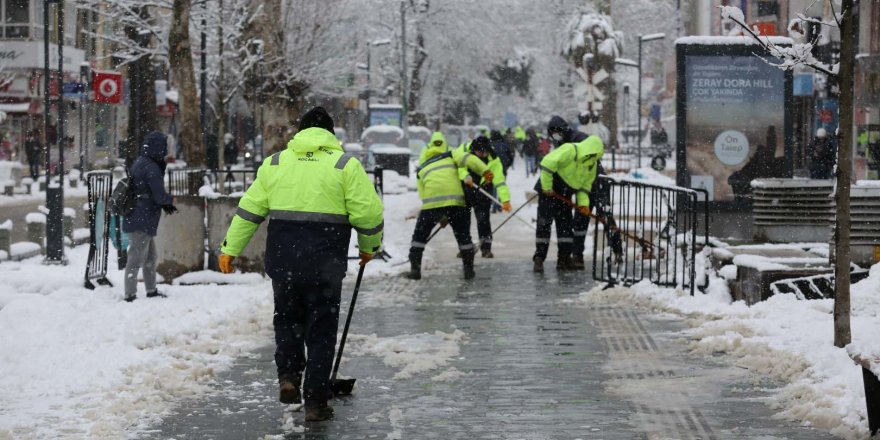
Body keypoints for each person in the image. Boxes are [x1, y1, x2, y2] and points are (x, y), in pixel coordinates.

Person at [218, 106, 384, 422]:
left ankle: (289, 376)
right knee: (321, 331)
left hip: (284, 264)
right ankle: (316, 404)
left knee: (287, 321)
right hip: (326, 265)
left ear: (299, 132)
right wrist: (368, 247)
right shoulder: (344, 165)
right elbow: (368, 214)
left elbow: (249, 212)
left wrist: (229, 249)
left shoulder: (275, 164)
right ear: (330, 134)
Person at [407, 131, 493, 280]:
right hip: (456, 203)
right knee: (463, 237)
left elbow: (423, 194)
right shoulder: (451, 155)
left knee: (419, 236)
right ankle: (468, 270)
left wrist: (439, 216)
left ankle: (415, 269)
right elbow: (469, 159)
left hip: (431, 205)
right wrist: (485, 171)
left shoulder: (422, 169)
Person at [534, 117, 605, 273]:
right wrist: (546, 187)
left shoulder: (589, 164)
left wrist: (584, 205)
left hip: (565, 193)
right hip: (549, 190)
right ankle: (539, 259)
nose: (593, 160)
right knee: (544, 224)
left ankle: (564, 259)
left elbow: (584, 188)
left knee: (565, 226)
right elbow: (547, 163)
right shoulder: (570, 149)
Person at [122, 132, 178, 302]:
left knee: (150, 257)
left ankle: (151, 290)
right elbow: (158, 195)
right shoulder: (152, 168)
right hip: (142, 217)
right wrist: (171, 199)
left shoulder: (142, 162)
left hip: (138, 216)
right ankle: (130, 294)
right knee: (136, 258)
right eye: (164, 148)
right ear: (158, 148)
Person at [458, 135, 512, 258]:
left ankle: (486, 248)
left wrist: (505, 200)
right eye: (479, 152)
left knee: (483, 220)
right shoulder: (465, 151)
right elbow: (459, 167)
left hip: (484, 189)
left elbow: (499, 180)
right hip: (466, 187)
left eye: (485, 152)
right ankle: (465, 248)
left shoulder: (494, 159)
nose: (482, 155)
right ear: (474, 150)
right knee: (463, 220)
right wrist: (465, 176)